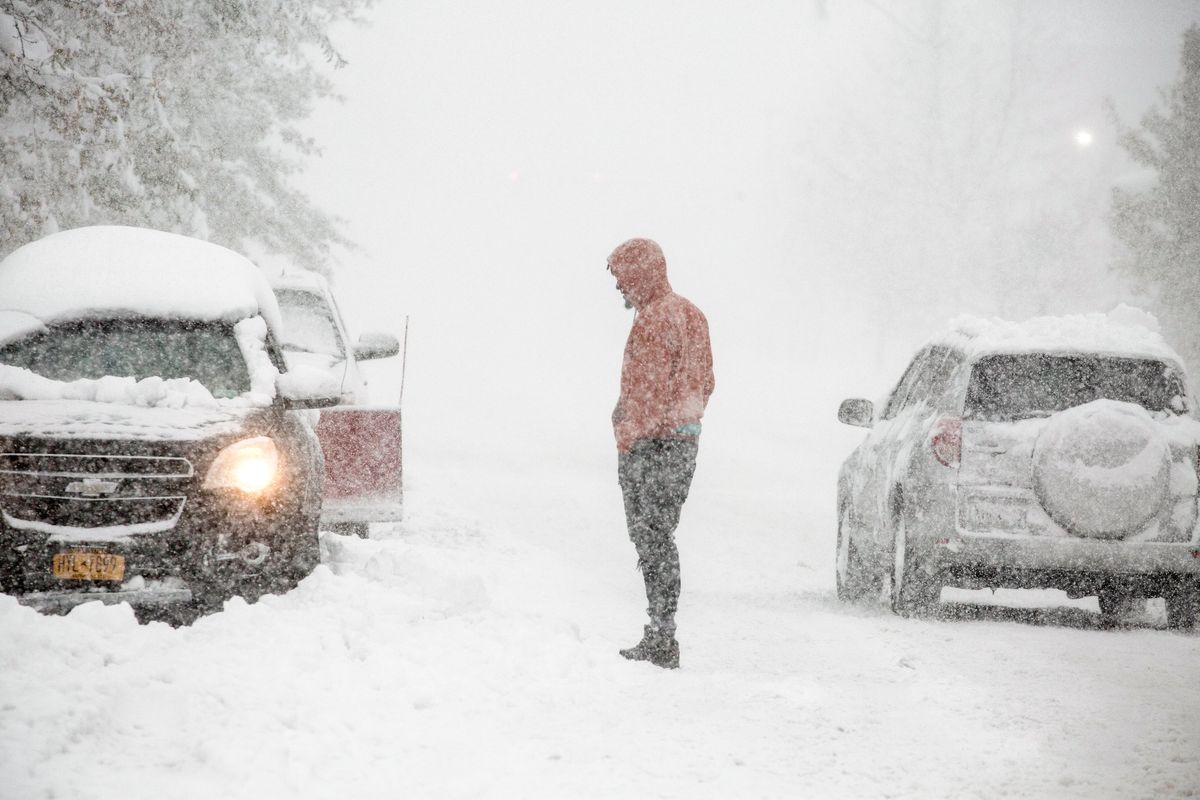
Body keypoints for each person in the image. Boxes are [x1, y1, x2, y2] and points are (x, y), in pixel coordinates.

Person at [607, 238, 714, 670]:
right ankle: (661, 630)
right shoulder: (692, 314)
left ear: (639, 274)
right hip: (684, 442)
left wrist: (630, 429)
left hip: (650, 445)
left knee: (651, 539)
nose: (618, 289)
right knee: (660, 535)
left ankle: (662, 635)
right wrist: (685, 419)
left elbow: (648, 390)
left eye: (621, 279)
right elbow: (706, 381)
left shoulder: (654, 320)